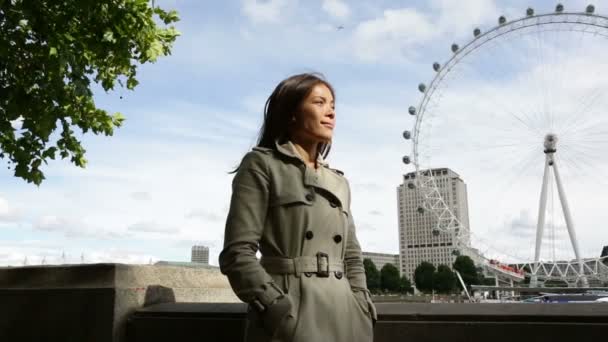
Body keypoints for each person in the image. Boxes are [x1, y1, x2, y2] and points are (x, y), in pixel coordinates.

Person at [219, 73, 376, 342]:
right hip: (291, 313)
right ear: (292, 113)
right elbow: (238, 253)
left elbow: (351, 255)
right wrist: (274, 307)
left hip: (346, 317)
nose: (330, 113)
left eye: (333, 106)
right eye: (319, 102)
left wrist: (361, 303)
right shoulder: (261, 165)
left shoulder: (339, 181)